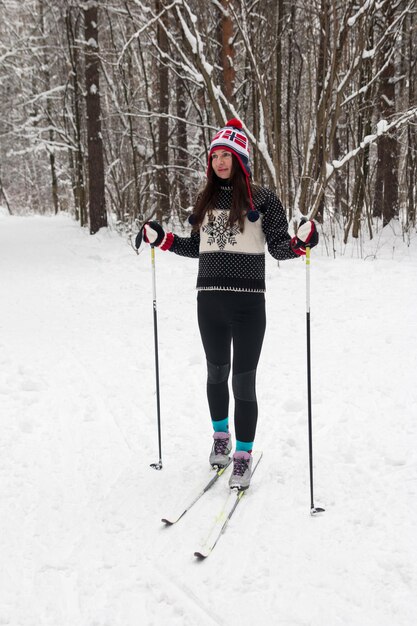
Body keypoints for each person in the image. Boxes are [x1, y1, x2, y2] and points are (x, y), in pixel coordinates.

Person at [136, 118, 318, 490]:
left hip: (249, 305)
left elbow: (280, 248)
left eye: (227, 155)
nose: (220, 161)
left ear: (240, 158)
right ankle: (221, 438)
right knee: (216, 374)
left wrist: (302, 242)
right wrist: (163, 238)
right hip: (210, 303)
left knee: (243, 382)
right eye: (215, 155)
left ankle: (243, 456)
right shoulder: (204, 200)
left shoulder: (263, 199)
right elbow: (199, 248)